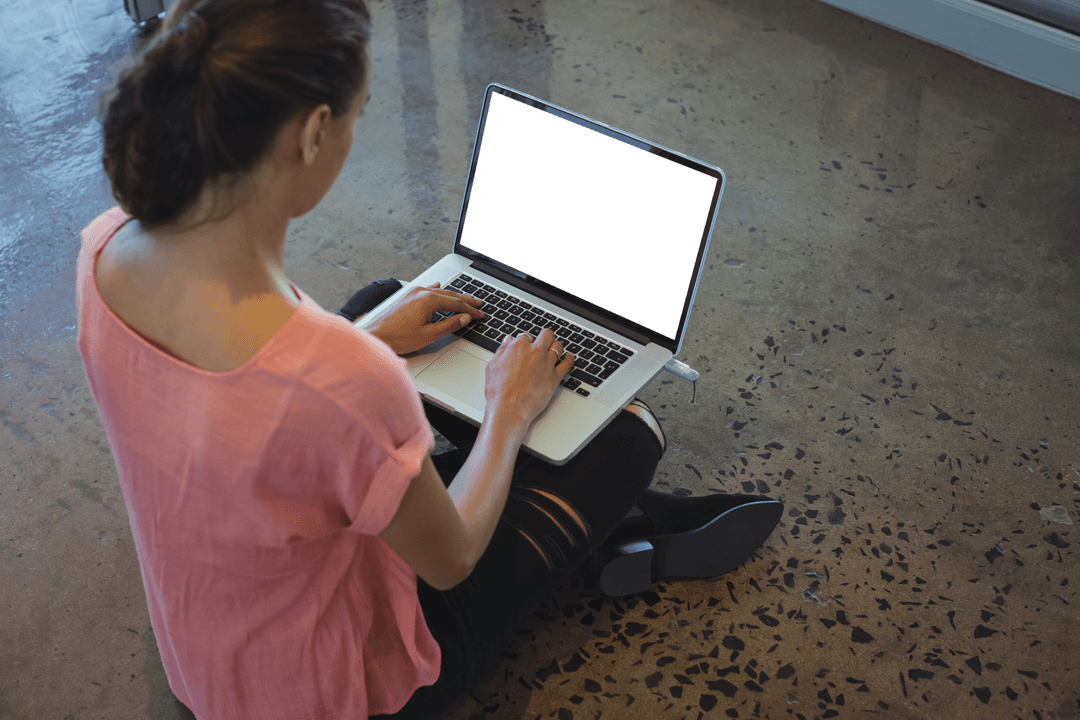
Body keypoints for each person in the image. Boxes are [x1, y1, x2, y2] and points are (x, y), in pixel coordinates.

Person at [77, 1, 784, 718]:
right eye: (359, 112)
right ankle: (624, 529)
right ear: (316, 131)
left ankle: (598, 512)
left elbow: (238, 403)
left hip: (206, 659)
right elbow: (450, 561)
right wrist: (508, 409)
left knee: (383, 300)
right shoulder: (341, 378)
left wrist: (371, 337)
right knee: (626, 436)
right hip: (338, 690)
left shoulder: (106, 250)